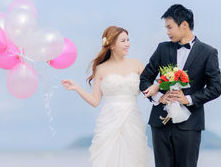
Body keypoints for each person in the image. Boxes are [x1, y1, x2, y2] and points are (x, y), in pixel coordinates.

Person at [140, 4, 221, 167]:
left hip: (189, 125)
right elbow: (144, 79)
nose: (167, 32)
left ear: (184, 25)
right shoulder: (162, 48)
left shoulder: (208, 52)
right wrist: (159, 97)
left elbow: (215, 88)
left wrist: (188, 99)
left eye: (170, 27)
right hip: (160, 123)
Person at [61, 26, 153, 167]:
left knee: (133, 157)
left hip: (132, 118)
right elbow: (95, 101)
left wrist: (165, 86)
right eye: (123, 40)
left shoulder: (137, 64)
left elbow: (151, 87)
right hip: (109, 119)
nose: (128, 43)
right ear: (111, 45)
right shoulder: (101, 69)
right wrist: (76, 88)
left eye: (128, 40)